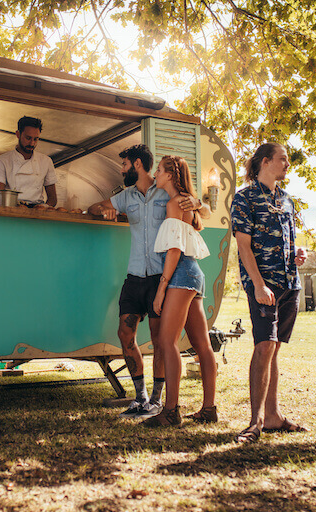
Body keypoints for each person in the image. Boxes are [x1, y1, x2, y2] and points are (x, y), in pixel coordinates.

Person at [88, 145, 208, 419]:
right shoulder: (125, 196)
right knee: (125, 334)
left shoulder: (165, 191)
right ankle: (140, 397)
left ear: (137, 164)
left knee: (159, 340)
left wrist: (201, 203)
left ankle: (156, 399)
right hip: (134, 276)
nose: (121, 170)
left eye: (125, 164)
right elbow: (95, 206)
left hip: (160, 276)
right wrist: (102, 211)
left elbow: (194, 204)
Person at [231, 142, 307, 443]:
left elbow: (288, 239)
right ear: (265, 162)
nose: (287, 164)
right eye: (282, 159)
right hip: (264, 284)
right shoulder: (244, 197)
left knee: (274, 347)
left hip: (290, 283)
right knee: (263, 346)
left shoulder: (287, 200)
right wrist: (259, 284)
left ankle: (274, 416)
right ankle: (255, 422)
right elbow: (243, 245)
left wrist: (297, 254)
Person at [141, 156, 217, 427]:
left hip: (180, 274)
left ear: (171, 175)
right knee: (202, 345)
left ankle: (171, 411)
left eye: (159, 171)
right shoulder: (186, 202)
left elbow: (174, 249)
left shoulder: (176, 203)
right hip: (194, 274)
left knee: (166, 340)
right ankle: (209, 409)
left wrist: (162, 288)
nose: (155, 174)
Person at [0, 116, 57, 206]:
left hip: (37, 211)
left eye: (36, 139)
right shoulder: (2, 161)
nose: (32, 143)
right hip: (12, 210)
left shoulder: (46, 161)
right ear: (18, 134)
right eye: (28, 138)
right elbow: (0, 197)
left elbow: (53, 199)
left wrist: (43, 209)